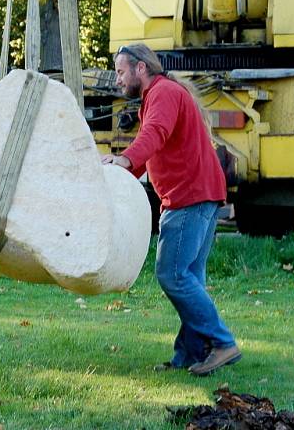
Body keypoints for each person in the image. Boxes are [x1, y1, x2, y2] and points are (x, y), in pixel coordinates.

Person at [101, 43, 241, 376]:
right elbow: (155, 148)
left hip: (188, 197)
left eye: (121, 72)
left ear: (140, 69)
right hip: (204, 192)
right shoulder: (163, 94)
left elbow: (154, 135)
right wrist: (125, 170)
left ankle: (223, 343)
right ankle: (190, 356)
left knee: (172, 274)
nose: (117, 80)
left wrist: (125, 159)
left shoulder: (162, 93)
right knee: (190, 277)